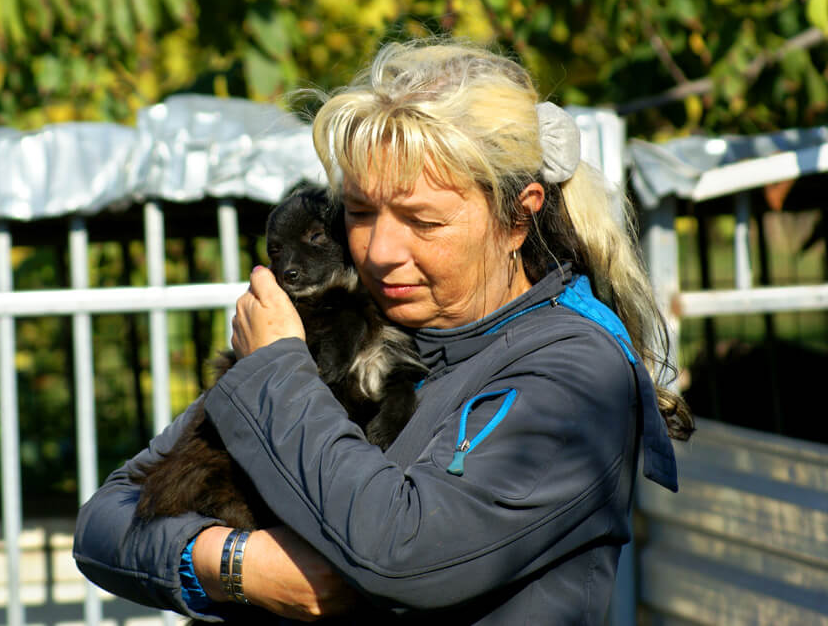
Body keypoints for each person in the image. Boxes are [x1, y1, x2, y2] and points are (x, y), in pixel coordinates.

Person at [73, 41, 694, 624]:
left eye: (423, 220)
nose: (380, 251)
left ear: (517, 217)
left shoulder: (575, 370)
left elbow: (400, 554)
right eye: (360, 211)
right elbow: (106, 518)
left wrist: (273, 370)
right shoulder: (345, 322)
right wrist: (232, 564)